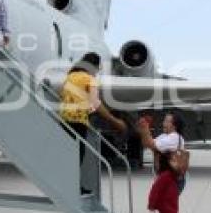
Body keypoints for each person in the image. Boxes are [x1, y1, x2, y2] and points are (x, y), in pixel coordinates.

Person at [59, 53, 127, 194]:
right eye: (97, 68)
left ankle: (68, 184)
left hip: (64, 121)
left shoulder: (70, 77)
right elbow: (95, 103)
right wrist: (115, 121)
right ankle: (74, 187)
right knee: (78, 157)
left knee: (69, 156)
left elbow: (65, 95)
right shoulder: (90, 79)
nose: (97, 71)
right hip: (77, 122)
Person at [137, 113, 187, 193]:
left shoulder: (174, 137)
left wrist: (145, 127)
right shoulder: (164, 136)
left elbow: (151, 144)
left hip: (172, 180)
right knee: (163, 204)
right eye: (164, 121)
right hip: (165, 177)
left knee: (165, 204)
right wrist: (144, 131)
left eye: (167, 121)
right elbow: (146, 144)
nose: (163, 123)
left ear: (174, 126)